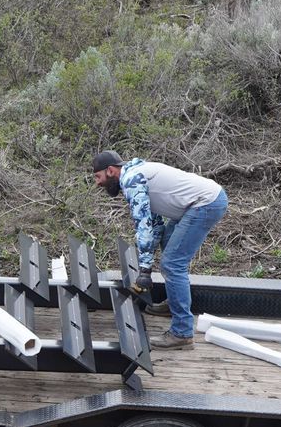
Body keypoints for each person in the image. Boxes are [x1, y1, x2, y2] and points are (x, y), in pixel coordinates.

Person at [91, 149, 228, 349]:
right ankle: (174, 302)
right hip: (199, 202)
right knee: (169, 243)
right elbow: (155, 226)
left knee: (172, 265)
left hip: (206, 203)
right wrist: (145, 266)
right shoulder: (136, 173)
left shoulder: (131, 180)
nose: (97, 182)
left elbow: (143, 226)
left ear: (110, 170)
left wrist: (145, 270)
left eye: (98, 176)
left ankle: (181, 333)